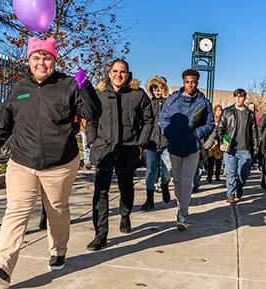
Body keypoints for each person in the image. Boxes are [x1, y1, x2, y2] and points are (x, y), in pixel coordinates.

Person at [0, 36, 101, 287]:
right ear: (28, 60)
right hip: (22, 161)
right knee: (16, 211)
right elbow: (2, 125)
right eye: (36, 57)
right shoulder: (19, 88)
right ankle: (2, 266)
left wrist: (85, 87)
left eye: (47, 57)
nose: (42, 62)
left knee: (57, 209)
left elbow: (92, 113)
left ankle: (58, 250)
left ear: (55, 60)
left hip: (61, 163)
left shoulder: (68, 85)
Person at [85, 59, 154, 251]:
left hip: (128, 149)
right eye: (115, 71)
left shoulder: (138, 95)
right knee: (101, 191)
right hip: (104, 150)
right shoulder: (98, 94)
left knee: (126, 189)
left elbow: (149, 120)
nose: (118, 75)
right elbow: (90, 120)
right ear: (109, 73)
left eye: (122, 72)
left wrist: (141, 141)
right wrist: (92, 142)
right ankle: (100, 234)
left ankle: (125, 215)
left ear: (128, 74)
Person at [160, 69, 214, 230]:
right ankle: (180, 204)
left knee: (187, 181)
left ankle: (182, 215)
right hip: (175, 146)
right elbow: (163, 119)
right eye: (187, 82)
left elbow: (210, 124)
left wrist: (196, 134)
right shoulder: (172, 100)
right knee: (176, 180)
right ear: (183, 82)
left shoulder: (203, 103)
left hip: (192, 147)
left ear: (197, 83)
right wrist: (170, 133)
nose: (190, 85)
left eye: (193, 82)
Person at [217, 88, 258, 204]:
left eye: (240, 96)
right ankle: (230, 194)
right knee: (231, 173)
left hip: (245, 149)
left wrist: (255, 145)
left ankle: (239, 187)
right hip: (230, 149)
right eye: (236, 96)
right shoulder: (227, 111)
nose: (238, 98)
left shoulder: (250, 114)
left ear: (244, 98)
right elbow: (220, 128)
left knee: (243, 174)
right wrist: (222, 142)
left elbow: (254, 131)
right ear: (234, 97)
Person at [141, 76, 172, 211]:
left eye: (159, 89)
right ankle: (149, 198)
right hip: (151, 143)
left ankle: (164, 185)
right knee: (150, 171)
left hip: (166, 142)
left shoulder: (169, 103)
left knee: (166, 170)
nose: (157, 92)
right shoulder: (148, 104)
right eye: (154, 89)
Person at [203, 104, 224, 183]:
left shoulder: (223, 120)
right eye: (217, 110)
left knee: (219, 161)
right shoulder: (211, 119)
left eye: (220, 110)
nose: (218, 112)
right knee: (210, 161)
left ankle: (217, 175)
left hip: (219, 142)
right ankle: (209, 176)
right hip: (212, 142)